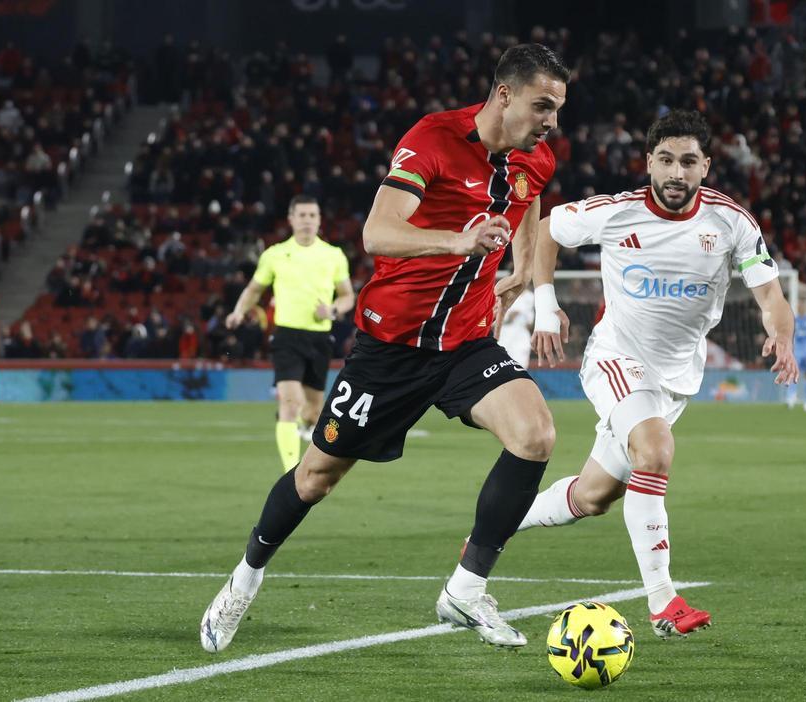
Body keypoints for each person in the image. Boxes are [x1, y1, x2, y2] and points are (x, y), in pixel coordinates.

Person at [201, 43, 569, 652]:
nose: (551, 120)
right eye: (542, 105)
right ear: (504, 94)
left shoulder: (538, 158)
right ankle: (243, 581)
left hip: (466, 343)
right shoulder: (433, 139)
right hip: (390, 348)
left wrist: (521, 270)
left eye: (557, 107)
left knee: (536, 436)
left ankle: (466, 591)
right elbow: (378, 232)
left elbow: (529, 206)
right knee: (316, 476)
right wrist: (461, 241)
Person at [518, 110, 798, 638]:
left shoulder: (731, 222)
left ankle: (501, 523)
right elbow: (548, 228)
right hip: (616, 359)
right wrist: (545, 303)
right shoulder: (617, 213)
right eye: (666, 160)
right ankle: (663, 602)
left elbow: (771, 296)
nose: (676, 173)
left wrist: (781, 334)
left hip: (674, 381)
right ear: (649, 162)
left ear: (706, 166)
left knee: (594, 496)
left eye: (688, 162)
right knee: (656, 450)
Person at [226, 195, 355, 471]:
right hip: (286, 336)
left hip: (319, 338)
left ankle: (300, 425)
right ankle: (290, 473)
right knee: (290, 401)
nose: (307, 220)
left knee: (312, 412)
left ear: (319, 220)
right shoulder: (274, 254)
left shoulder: (333, 256)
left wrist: (332, 310)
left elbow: (347, 297)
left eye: (312, 215)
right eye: (302, 215)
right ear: (291, 219)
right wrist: (238, 312)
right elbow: (254, 290)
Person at [498, 286, 535, 368]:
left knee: (521, 366)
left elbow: (530, 323)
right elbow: (494, 320)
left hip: (521, 336)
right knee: (503, 365)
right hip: (505, 334)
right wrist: (509, 317)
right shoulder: (504, 294)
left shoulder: (530, 297)